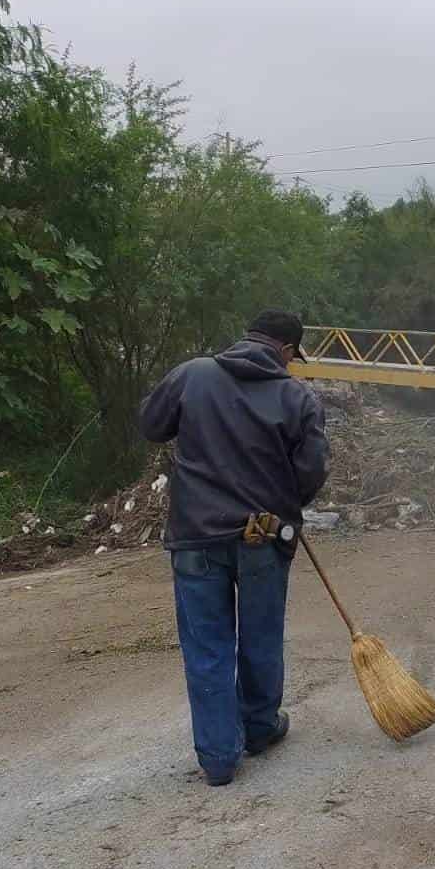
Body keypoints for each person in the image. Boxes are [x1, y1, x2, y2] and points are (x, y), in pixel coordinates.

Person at [138, 309, 330, 785]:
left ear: (247, 338)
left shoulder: (194, 374)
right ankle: (260, 729)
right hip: (263, 538)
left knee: (207, 645)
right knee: (261, 634)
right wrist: (285, 502)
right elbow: (312, 471)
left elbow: (150, 424)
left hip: (196, 536)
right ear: (286, 351)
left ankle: (220, 759)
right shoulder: (297, 397)